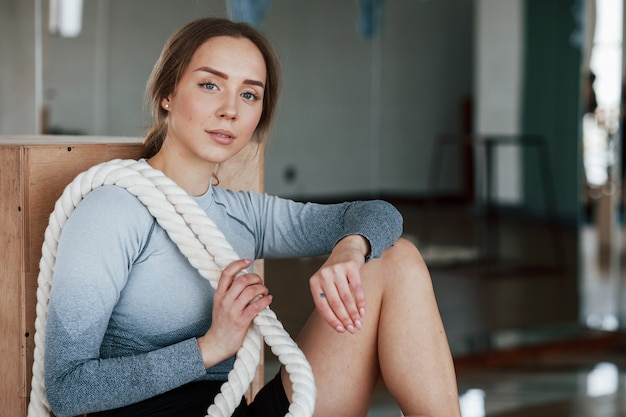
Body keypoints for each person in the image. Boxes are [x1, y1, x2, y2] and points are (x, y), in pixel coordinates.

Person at [44, 17, 461, 417]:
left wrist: (351, 248)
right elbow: (67, 390)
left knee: (394, 259)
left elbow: (379, 214)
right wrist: (211, 346)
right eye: (210, 85)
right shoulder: (112, 212)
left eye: (249, 94)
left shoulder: (242, 214)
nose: (230, 110)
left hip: (234, 412)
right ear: (166, 93)